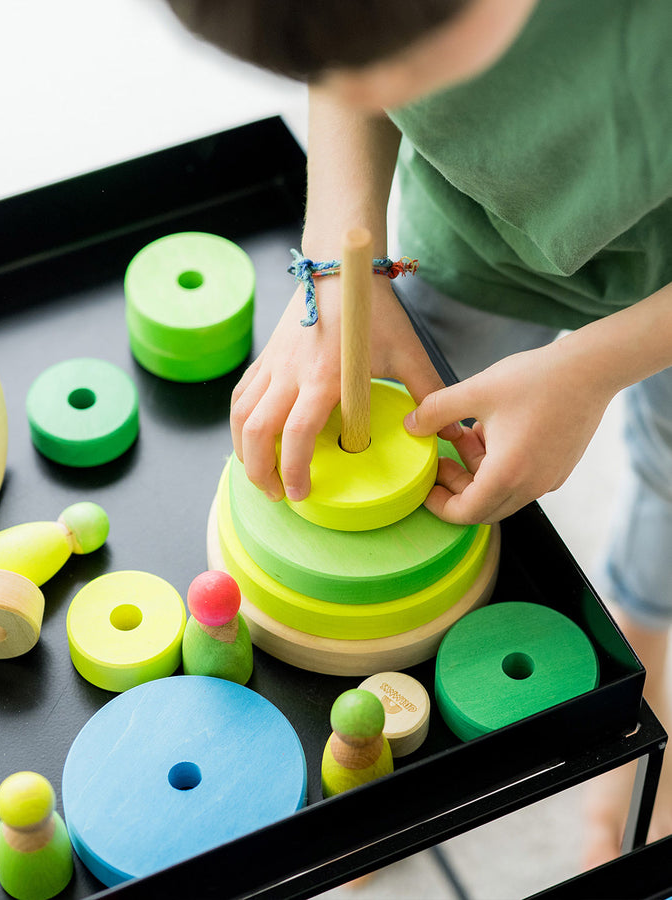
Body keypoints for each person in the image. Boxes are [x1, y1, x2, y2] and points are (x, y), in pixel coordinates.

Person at [165, 0, 672, 870]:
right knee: (406, 394)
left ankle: (652, 659)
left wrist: (592, 370)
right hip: (473, 238)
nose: (371, 94)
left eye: (406, 62)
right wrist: (334, 267)